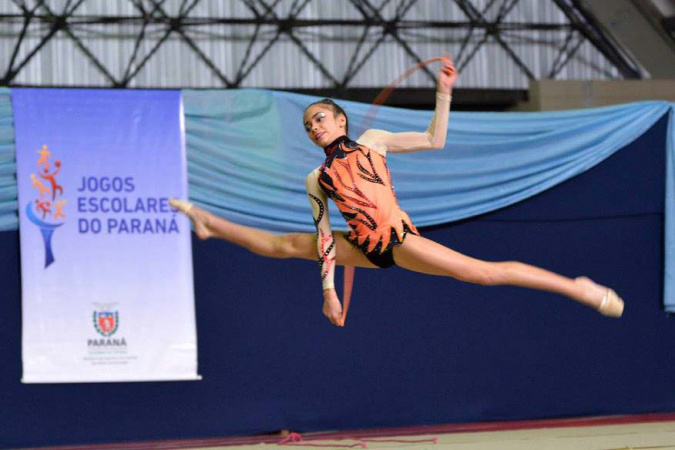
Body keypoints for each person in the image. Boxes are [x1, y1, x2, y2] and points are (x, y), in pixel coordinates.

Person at [170, 55, 624, 327]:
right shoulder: (316, 179)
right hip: (364, 247)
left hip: (398, 240)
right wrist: (328, 291)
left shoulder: (374, 142)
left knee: (483, 274)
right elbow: (326, 237)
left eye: (320, 119)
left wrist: (443, 91)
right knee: (286, 244)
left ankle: (576, 287)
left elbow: (434, 140)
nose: (314, 127)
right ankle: (210, 222)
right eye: (308, 125)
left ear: (340, 120)